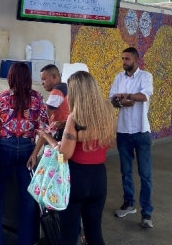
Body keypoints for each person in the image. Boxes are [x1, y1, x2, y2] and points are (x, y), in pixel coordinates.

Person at [36, 71, 115, 245]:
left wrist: (47, 137)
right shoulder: (107, 110)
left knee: (69, 236)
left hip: (76, 179)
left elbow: (64, 154)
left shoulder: (75, 117)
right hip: (99, 178)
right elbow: (94, 129)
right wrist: (64, 126)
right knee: (94, 233)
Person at [0, 62, 48, 245]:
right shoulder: (38, 98)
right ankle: (26, 241)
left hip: (4, 149)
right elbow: (44, 130)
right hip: (27, 150)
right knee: (28, 199)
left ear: (11, 78)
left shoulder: (2, 97)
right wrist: (34, 153)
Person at [109, 47, 154, 229]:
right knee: (125, 171)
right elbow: (112, 100)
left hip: (141, 131)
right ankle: (129, 204)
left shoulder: (145, 76)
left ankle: (147, 212)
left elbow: (144, 96)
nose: (124, 62)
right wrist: (121, 101)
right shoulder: (119, 77)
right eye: (123, 59)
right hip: (123, 131)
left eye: (127, 58)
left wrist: (126, 96)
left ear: (136, 59)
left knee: (145, 174)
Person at [27, 64, 71, 166]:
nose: (42, 83)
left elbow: (44, 121)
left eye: (44, 79)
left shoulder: (57, 92)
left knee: (51, 168)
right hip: (64, 137)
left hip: (56, 140)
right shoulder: (65, 88)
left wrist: (34, 154)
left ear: (54, 76)